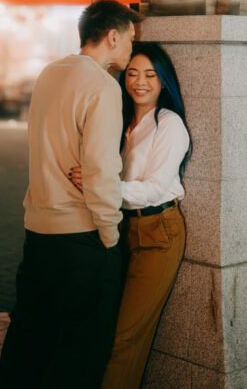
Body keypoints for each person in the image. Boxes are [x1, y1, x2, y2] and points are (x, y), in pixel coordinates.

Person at [0, 0, 142, 389]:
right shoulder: (102, 87)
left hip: (38, 230)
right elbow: (99, 168)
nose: (131, 48)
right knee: (82, 349)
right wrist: (110, 236)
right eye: (129, 39)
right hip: (81, 236)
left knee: (29, 334)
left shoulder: (50, 73)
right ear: (112, 36)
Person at [69, 42, 191, 389]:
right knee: (103, 328)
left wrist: (100, 184)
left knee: (125, 337)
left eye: (151, 75)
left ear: (163, 81)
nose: (140, 81)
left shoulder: (169, 125)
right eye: (133, 73)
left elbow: (152, 189)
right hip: (121, 229)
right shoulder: (122, 121)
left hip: (159, 232)